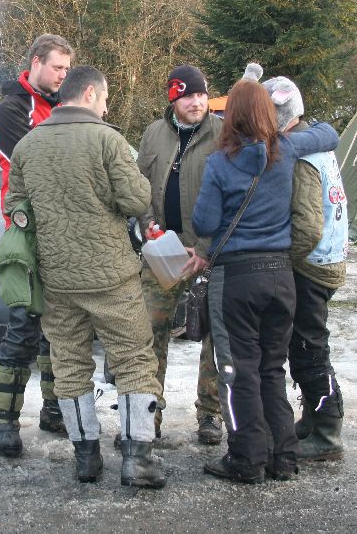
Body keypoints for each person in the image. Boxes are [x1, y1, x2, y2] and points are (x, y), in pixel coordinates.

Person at [6, 65, 165, 488]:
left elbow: (16, 207)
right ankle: (138, 460)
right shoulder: (108, 139)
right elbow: (137, 200)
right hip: (111, 276)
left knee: (70, 365)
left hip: (56, 279)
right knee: (134, 361)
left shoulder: (28, 145)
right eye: (106, 98)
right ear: (91, 93)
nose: (107, 107)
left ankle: (86, 459)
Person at [192, 71, 338, 484]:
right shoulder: (286, 148)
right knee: (272, 368)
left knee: (239, 370)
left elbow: (204, 223)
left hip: (236, 278)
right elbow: (329, 134)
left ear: (230, 117)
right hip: (281, 275)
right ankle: (282, 457)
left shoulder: (220, 163)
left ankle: (246, 458)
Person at [0, 33, 72, 457]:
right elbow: (33, 164)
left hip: (62, 234)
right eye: (57, 67)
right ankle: (5, 422)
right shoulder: (11, 109)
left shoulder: (62, 107)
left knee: (58, 328)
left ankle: (53, 410)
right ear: (36, 62)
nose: (62, 76)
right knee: (22, 328)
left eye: (67, 70)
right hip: (25, 234)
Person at [135, 65, 224, 445]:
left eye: (201, 95)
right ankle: (148, 414)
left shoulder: (223, 134)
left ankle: (210, 414)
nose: (197, 102)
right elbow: (138, 185)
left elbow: (233, 194)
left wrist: (205, 248)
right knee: (148, 333)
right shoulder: (154, 134)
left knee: (215, 338)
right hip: (162, 253)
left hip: (209, 254)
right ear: (173, 99)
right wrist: (148, 224)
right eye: (188, 96)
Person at [263, 73, 348, 462]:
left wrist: (286, 260)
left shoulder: (299, 157)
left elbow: (309, 226)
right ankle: (314, 420)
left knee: (309, 349)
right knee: (307, 346)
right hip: (326, 258)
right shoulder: (316, 143)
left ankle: (327, 432)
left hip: (310, 266)